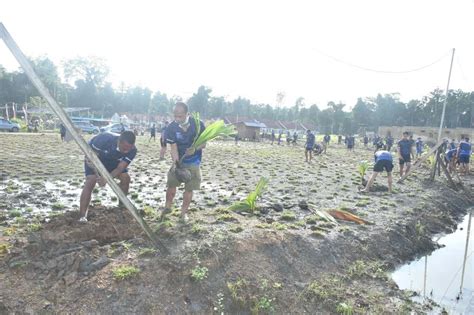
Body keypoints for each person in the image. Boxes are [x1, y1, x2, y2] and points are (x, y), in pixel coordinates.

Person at [79, 131, 137, 222]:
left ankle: (122, 207)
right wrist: (95, 170)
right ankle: (82, 216)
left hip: (114, 163)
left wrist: (106, 179)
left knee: (126, 178)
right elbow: (91, 157)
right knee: (91, 180)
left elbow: (120, 168)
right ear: (119, 141)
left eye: (129, 148)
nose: (127, 151)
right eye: (125, 148)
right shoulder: (104, 139)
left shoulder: (133, 150)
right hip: (96, 159)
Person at [162, 102, 206, 222]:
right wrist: (176, 164)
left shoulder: (198, 125)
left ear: (187, 114)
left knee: (189, 188)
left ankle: (183, 213)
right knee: (171, 184)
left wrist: (195, 149)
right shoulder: (171, 128)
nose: (177, 118)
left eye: (180, 116)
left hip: (193, 161)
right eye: (175, 115)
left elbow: (204, 143)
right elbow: (174, 147)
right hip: (178, 159)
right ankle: (167, 207)